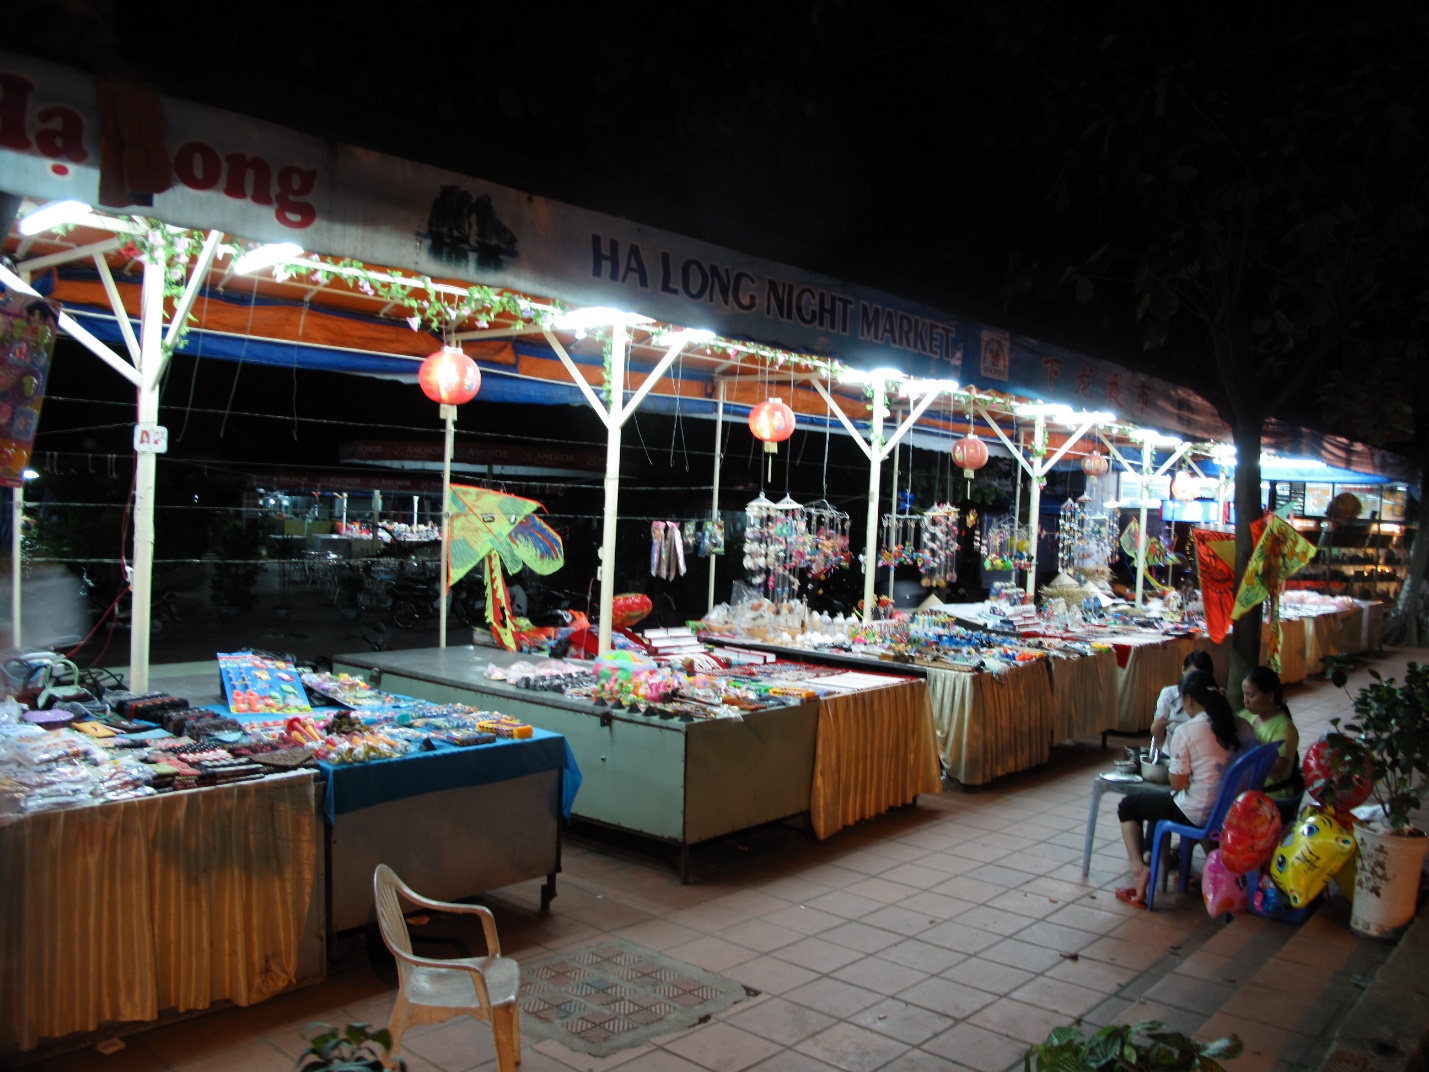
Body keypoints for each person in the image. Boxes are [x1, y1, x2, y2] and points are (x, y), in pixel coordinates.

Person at [1116, 669, 1246, 908]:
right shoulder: (1238, 725)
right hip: (1225, 808)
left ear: (1188, 699)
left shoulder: (1187, 731)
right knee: (1159, 804)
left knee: (1128, 806)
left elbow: (1177, 783)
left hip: (1196, 811)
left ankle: (1138, 869)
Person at [1240, 666, 1302, 806]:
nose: (1245, 701)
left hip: (1272, 797)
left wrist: (1252, 746)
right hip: (1249, 791)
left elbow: (1276, 774)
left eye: (1251, 695)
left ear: (1269, 696)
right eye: (1244, 695)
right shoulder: (1247, 715)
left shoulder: (1284, 730)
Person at [1149, 649, 1216, 750]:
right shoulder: (1169, 695)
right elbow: (1157, 732)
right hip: (1172, 753)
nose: (1196, 681)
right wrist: (1157, 726)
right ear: (1183, 670)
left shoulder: (1214, 698)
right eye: (1192, 674)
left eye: (1201, 676)